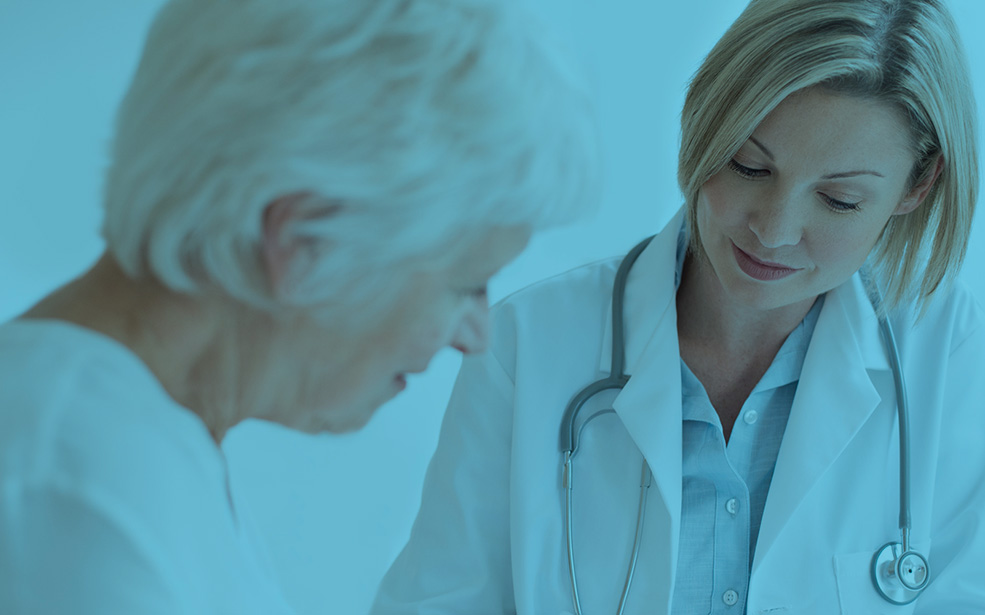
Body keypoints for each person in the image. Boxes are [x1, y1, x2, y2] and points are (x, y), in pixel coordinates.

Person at [370, 0, 984, 613]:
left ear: (917, 185)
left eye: (839, 200)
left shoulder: (951, 353)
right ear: (702, 119)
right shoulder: (527, 344)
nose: (774, 229)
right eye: (749, 166)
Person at [0, 0, 599, 611]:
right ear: (303, 242)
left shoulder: (137, 440)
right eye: (467, 283)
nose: (477, 335)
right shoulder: (76, 495)